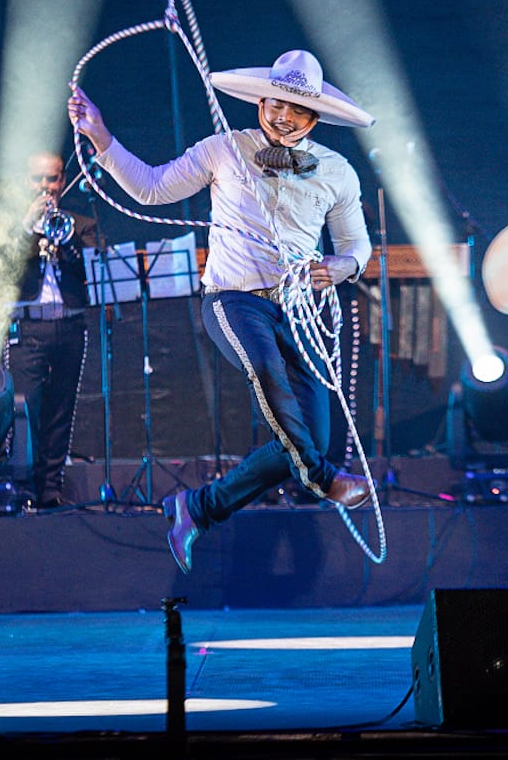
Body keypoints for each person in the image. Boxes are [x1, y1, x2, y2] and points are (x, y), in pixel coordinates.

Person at [68, 49, 375, 573]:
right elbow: (150, 186)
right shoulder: (226, 150)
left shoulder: (338, 172)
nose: (284, 116)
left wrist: (339, 267)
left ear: (314, 116)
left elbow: (357, 247)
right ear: (261, 102)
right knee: (267, 375)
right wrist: (100, 136)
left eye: (297, 110)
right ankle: (324, 479)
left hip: (301, 311)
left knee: (301, 441)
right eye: (276, 104)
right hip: (234, 301)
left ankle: (196, 508)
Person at [6, 150, 98, 509]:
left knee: (61, 410)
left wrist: (67, 235)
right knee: (24, 410)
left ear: (62, 182)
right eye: (38, 179)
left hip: (70, 326)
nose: (46, 187)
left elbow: (92, 273)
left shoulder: (81, 224)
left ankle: (50, 488)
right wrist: (28, 227)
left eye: (53, 179)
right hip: (27, 328)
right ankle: (24, 486)